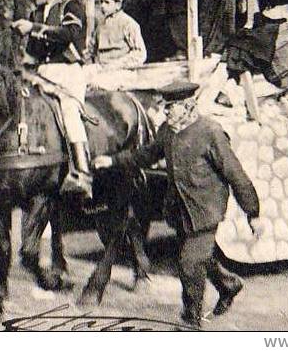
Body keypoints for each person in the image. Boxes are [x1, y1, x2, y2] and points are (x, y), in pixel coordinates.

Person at [93, 81, 261, 329]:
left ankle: (190, 320)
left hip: (206, 210)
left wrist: (253, 213)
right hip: (179, 210)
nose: (165, 112)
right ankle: (229, 285)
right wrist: (112, 160)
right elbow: (146, 155)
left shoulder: (210, 132)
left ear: (187, 106)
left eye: (170, 107)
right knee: (200, 257)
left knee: (189, 263)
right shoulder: (168, 131)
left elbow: (235, 174)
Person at [11, 0, 92, 199]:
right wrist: (24, 65)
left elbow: (69, 34)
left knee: (68, 109)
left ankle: (82, 172)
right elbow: (34, 54)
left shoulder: (71, 6)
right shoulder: (35, 13)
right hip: (43, 76)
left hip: (68, 74)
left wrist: (34, 29)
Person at [92, 0, 147, 69]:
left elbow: (140, 53)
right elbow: (93, 50)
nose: (102, 6)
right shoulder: (100, 24)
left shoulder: (128, 23)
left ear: (118, 5)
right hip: (102, 68)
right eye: (101, 2)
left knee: (98, 82)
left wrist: (118, 64)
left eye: (107, 2)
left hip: (122, 70)